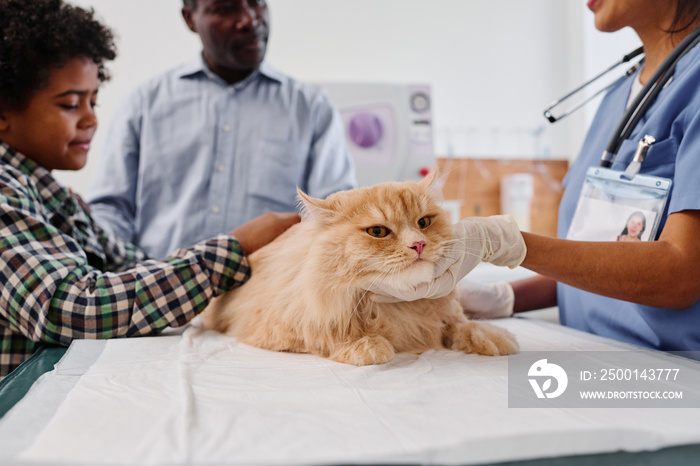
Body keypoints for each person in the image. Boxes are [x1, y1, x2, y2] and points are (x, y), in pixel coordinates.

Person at [369, 0, 700, 354]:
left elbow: (681, 276)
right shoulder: (621, 93)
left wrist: (506, 242)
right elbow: (600, 260)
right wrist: (507, 297)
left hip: (673, 374)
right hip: (591, 355)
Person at [0, 0, 299, 379]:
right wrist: (233, 249)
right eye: (72, 104)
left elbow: (130, 265)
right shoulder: (5, 196)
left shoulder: (53, 198)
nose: (92, 118)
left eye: (93, 101)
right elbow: (77, 306)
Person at [86, 0, 357, 260]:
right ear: (190, 18)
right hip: (158, 296)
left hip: (266, 301)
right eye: (225, 8)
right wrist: (133, 281)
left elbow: (337, 218)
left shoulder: (312, 109)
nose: (250, 19)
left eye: (257, 1)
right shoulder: (144, 104)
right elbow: (111, 209)